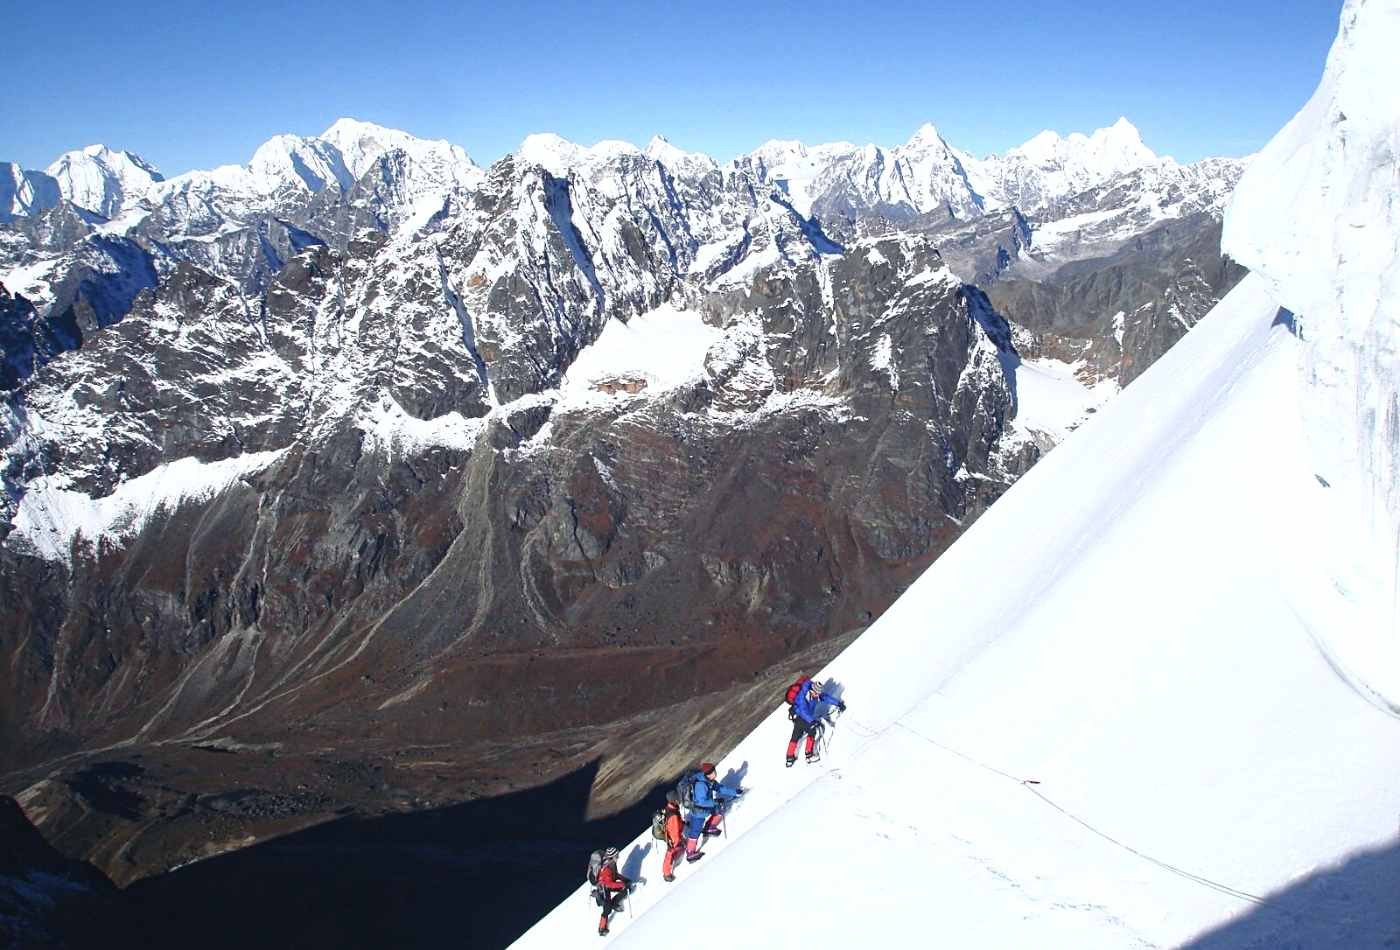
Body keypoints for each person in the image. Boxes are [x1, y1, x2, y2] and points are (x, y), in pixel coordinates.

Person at [683, 762, 743, 862]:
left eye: (714, 771)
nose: (715, 774)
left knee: (720, 809)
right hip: (698, 811)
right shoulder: (701, 785)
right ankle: (690, 853)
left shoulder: (709, 781)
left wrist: (734, 792)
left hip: (706, 807)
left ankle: (710, 827)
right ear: (707, 774)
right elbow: (701, 801)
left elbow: (720, 788)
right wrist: (714, 802)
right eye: (712, 772)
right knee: (695, 831)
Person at [787, 678, 845, 767]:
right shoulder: (802, 697)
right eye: (816, 693)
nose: (817, 695)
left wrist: (838, 703)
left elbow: (825, 697)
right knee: (812, 732)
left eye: (818, 694)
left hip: (804, 718)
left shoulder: (816, 694)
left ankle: (789, 758)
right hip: (801, 717)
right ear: (811, 690)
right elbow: (803, 711)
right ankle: (809, 755)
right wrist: (812, 722)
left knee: (796, 735)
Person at [595, 846, 631, 936]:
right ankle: (601, 928)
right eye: (617, 855)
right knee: (607, 909)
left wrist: (624, 879)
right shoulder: (606, 869)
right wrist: (622, 884)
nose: (618, 857)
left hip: (607, 885)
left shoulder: (612, 864)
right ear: (612, 857)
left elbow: (615, 875)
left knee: (625, 890)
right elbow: (609, 884)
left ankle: (614, 904)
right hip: (603, 888)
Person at [659, 796, 685, 882]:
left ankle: (666, 872)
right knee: (670, 853)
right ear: (673, 800)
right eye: (676, 798)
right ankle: (666, 874)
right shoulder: (673, 815)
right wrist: (677, 842)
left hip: (670, 836)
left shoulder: (670, 808)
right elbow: (674, 830)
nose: (678, 800)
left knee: (671, 852)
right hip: (673, 838)